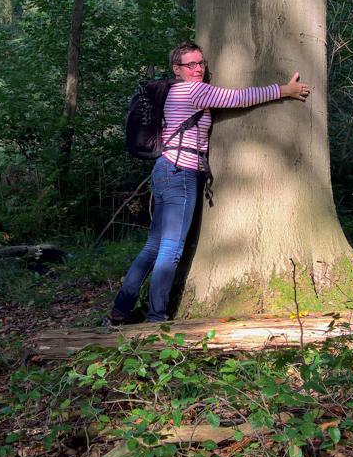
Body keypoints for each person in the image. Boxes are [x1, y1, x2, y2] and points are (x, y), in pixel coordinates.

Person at [104, 41, 311, 325]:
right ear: (176, 69)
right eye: (190, 64)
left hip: (164, 169)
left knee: (153, 246)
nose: (198, 69)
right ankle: (156, 318)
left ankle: (120, 310)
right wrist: (284, 90)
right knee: (170, 249)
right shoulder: (193, 90)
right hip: (181, 173)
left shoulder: (172, 91)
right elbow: (239, 98)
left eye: (200, 63)